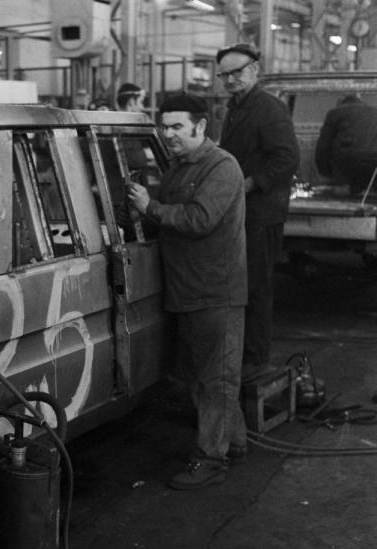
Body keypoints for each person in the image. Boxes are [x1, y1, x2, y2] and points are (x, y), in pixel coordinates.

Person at [125, 93, 248, 490]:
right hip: (186, 287)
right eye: (165, 126)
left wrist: (150, 209)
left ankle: (211, 459)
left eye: (177, 126)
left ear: (201, 126)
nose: (169, 134)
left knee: (216, 377)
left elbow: (200, 219)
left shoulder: (221, 166)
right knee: (205, 374)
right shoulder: (178, 167)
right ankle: (234, 443)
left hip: (215, 289)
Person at [216, 43, 299, 383]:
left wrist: (249, 184)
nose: (231, 79)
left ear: (254, 70)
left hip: (261, 213)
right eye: (224, 74)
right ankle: (244, 356)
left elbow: (287, 159)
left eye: (237, 72)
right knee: (242, 286)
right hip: (242, 211)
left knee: (258, 288)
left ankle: (256, 361)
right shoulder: (235, 108)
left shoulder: (269, 108)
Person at [314, 94, 377, 194]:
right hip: (374, 161)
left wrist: (325, 172)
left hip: (348, 161)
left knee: (343, 190)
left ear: (340, 104)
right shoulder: (374, 111)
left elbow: (323, 146)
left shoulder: (335, 112)